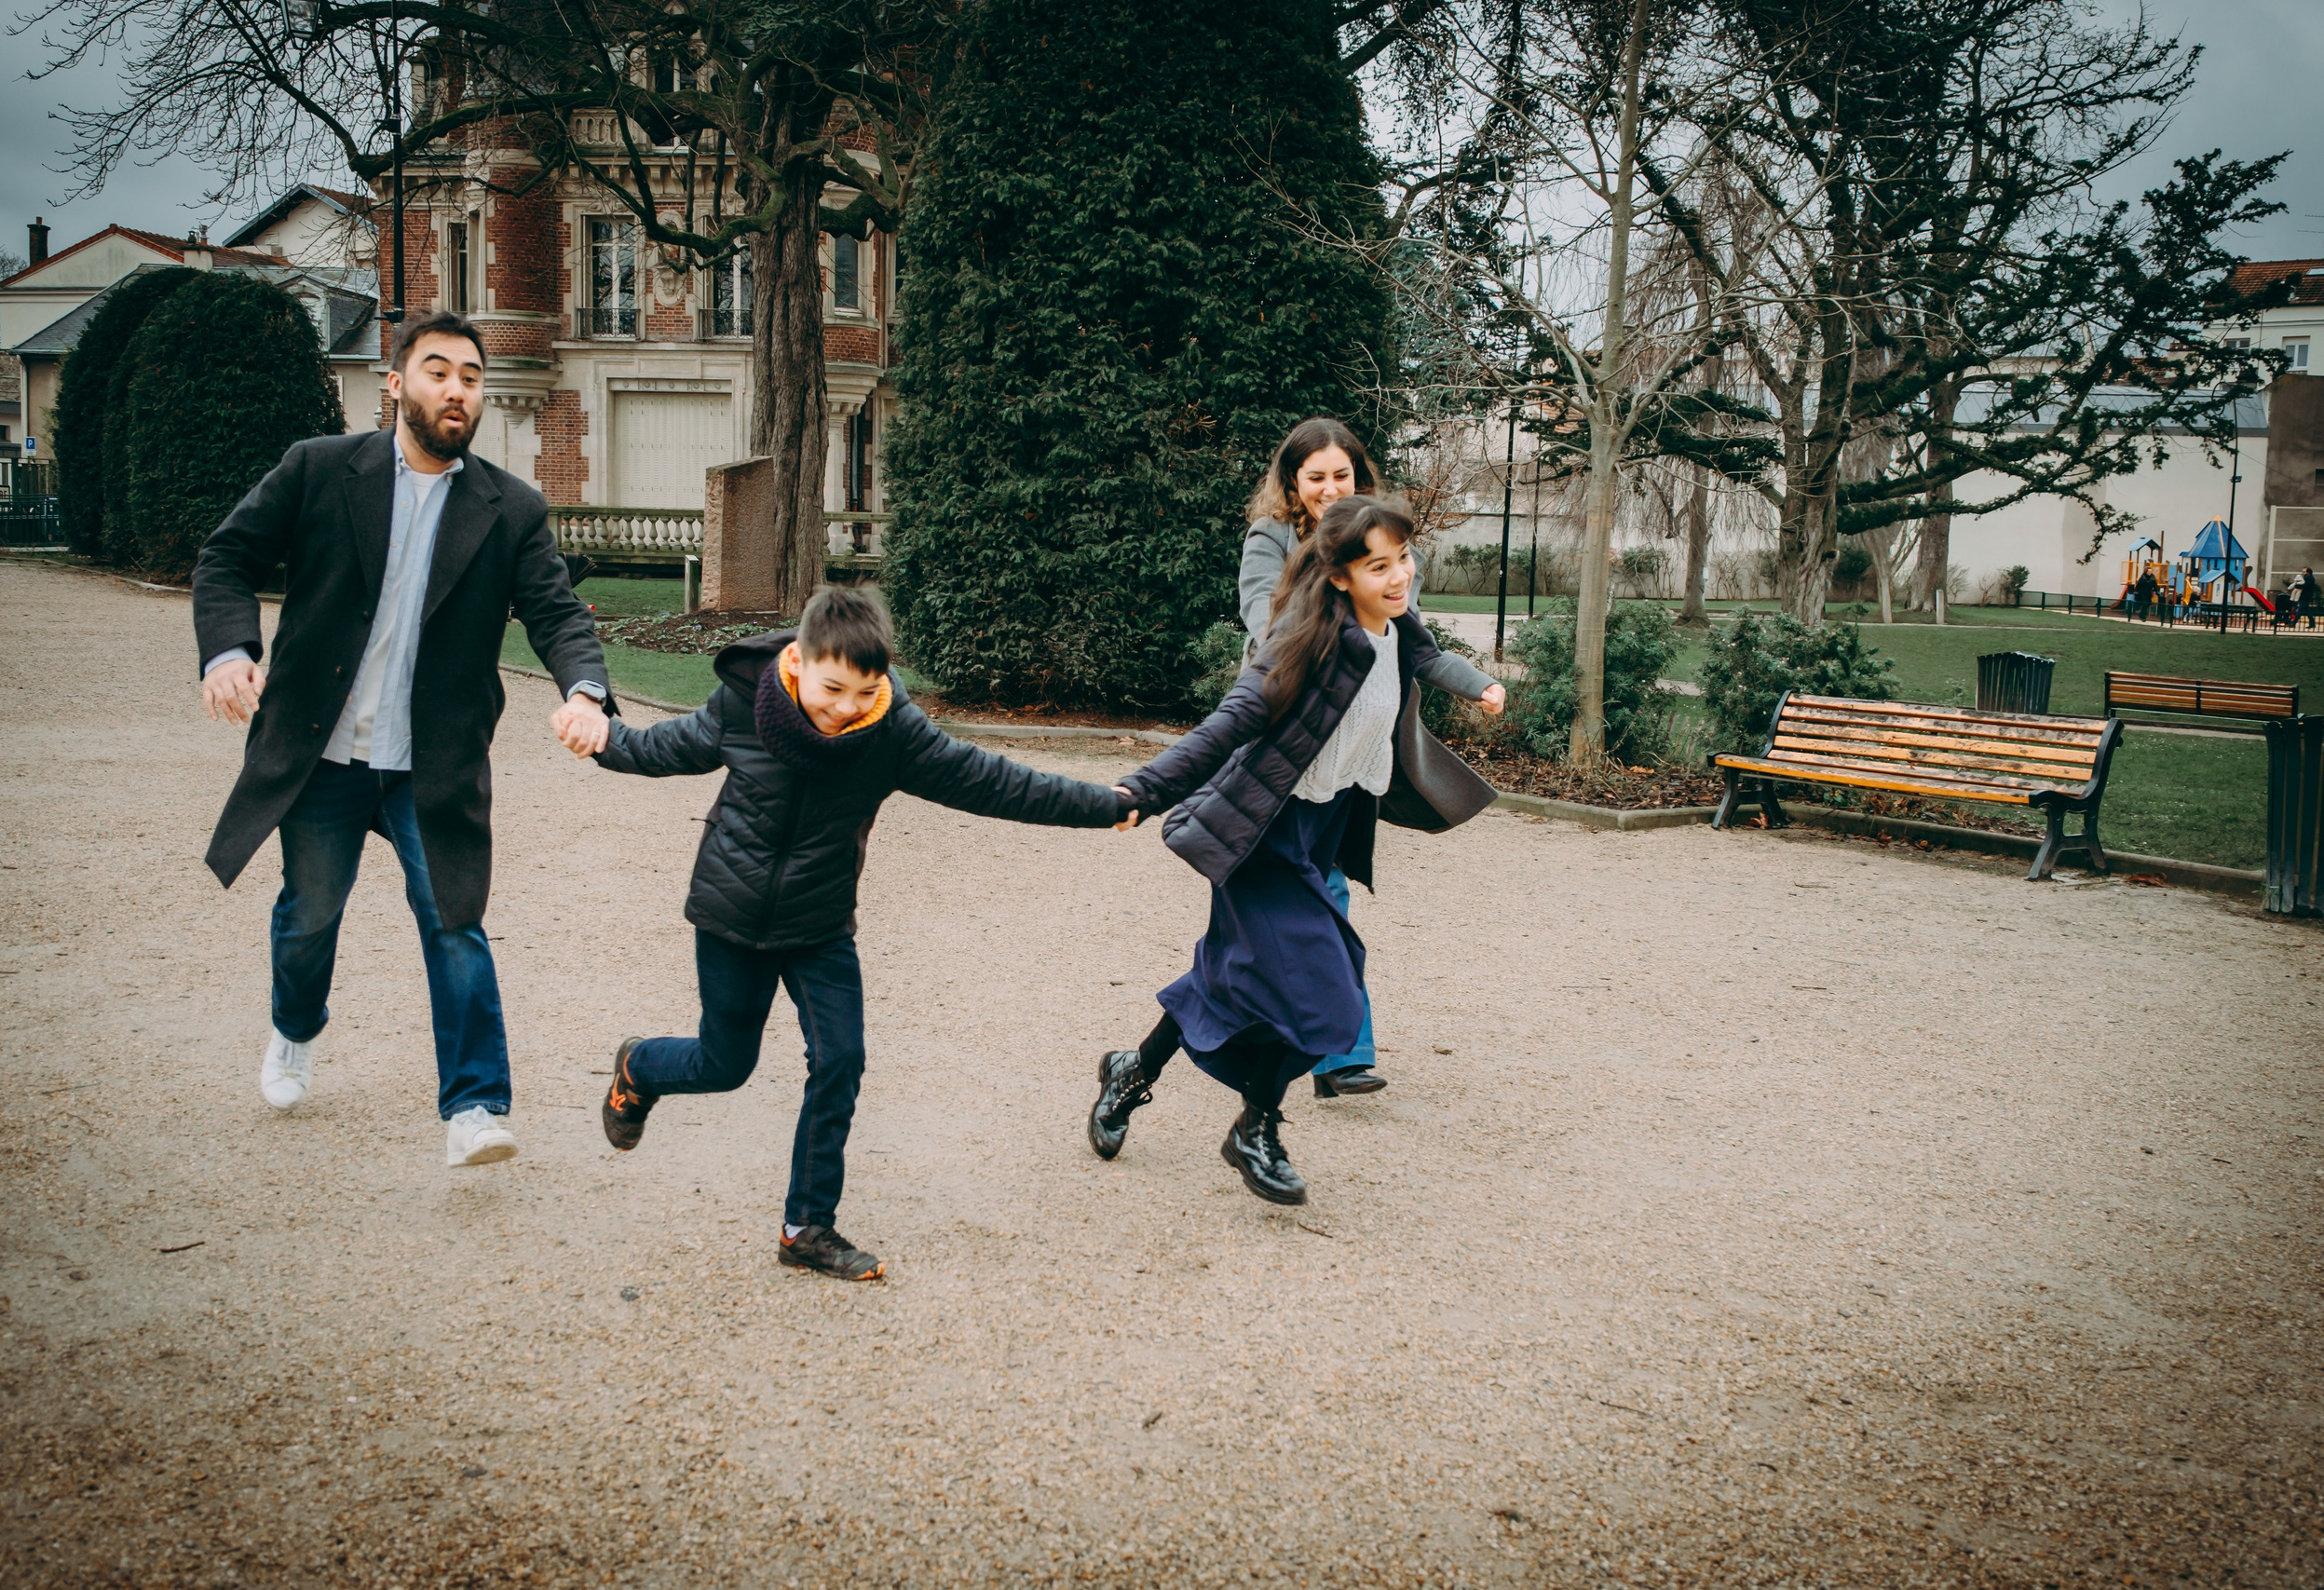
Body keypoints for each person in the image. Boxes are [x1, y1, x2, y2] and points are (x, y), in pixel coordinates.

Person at [583, 587, 1132, 1281]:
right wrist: (598, 734)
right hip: (731, 918)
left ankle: (806, 1226)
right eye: (831, 686)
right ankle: (639, 1068)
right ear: (798, 660)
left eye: (862, 689)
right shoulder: (743, 704)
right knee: (726, 1064)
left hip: (818, 925)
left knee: (841, 1059)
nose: (843, 706)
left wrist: (1099, 806)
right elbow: (659, 747)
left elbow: (995, 782)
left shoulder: (893, 734)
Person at [193, 308, 613, 1166]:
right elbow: (227, 557)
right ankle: (295, 1028)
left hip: (433, 763)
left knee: (455, 921)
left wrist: (586, 691)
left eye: (469, 376)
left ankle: (475, 1107)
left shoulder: (510, 508)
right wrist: (231, 650)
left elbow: (558, 613)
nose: (456, 390)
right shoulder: (318, 470)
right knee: (309, 914)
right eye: (437, 371)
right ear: (396, 384)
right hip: (324, 751)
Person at [1087, 495, 1500, 1204]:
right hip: (1263, 834)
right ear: (1339, 575)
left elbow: (1428, 658)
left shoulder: (1397, 627)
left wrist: (1481, 685)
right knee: (1332, 995)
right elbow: (1232, 721)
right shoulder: (1309, 640)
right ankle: (1258, 1124)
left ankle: (1135, 1067)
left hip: (1323, 830)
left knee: (1229, 978)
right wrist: (1143, 788)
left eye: (1403, 558)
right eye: (1379, 565)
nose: (1399, 575)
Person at [1233, 417, 1503, 1098]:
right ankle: (1245, 1025)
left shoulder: (1379, 542)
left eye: (1341, 475)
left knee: (1328, 889)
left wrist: (1480, 685)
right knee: (1267, 901)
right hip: (1282, 743)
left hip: (1350, 753)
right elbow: (1263, 619)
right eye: (1315, 477)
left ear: (1359, 474)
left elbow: (1419, 641)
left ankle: (1342, 1053)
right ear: (1292, 483)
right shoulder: (1272, 538)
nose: (1329, 487)